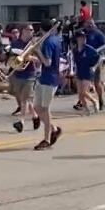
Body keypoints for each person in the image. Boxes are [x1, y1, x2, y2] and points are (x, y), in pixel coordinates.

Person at [33, 19, 63, 151]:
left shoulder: (49, 42)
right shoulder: (54, 39)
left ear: (41, 29)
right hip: (43, 78)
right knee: (37, 107)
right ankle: (54, 129)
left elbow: (47, 62)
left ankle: (46, 139)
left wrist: (37, 50)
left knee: (45, 109)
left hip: (49, 79)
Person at [9, 24, 40, 132]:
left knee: (24, 99)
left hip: (30, 75)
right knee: (26, 100)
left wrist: (31, 58)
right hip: (18, 74)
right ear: (23, 31)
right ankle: (35, 116)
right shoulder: (15, 43)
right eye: (29, 30)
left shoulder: (34, 44)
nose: (31, 32)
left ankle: (21, 122)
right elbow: (12, 56)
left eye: (32, 30)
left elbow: (39, 59)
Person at [72, 30, 100, 115]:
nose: (83, 39)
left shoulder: (89, 49)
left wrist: (94, 67)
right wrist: (74, 72)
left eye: (84, 37)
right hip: (79, 72)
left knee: (84, 92)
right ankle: (86, 109)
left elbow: (98, 57)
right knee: (80, 94)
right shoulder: (75, 50)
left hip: (87, 72)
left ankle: (94, 101)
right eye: (81, 38)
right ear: (77, 39)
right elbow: (75, 62)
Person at [83, 19, 105, 109]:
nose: (89, 25)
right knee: (84, 82)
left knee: (97, 82)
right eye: (88, 24)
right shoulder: (84, 34)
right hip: (86, 60)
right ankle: (85, 102)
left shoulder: (98, 33)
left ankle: (100, 100)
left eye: (91, 24)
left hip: (96, 60)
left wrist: (97, 50)